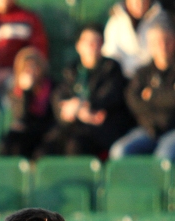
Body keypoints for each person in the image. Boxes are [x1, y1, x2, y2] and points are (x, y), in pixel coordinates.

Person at [36, 24, 133, 157]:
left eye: (96, 41)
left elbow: (110, 96)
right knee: (45, 150)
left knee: (76, 145)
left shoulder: (111, 68)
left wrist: (81, 105)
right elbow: (60, 98)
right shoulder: (71, 70)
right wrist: (77, 111)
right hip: (73, 126)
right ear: (78, 46)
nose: (92, 46)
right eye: (87, 41)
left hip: (102, 129)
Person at [110, 20, 175, 161]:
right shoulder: (142, 73)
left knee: (163, 157)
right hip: (148, 129)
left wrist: (151, 96)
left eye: (166, 41)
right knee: (119, 152)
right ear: (150, 45)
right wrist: (166, 96)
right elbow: (133, 101)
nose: (162, 46)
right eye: (156, 42)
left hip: (172, 131)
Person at [0, 47, 54, 159]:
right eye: (27, 68)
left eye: (35, 67)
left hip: (46, 131)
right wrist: (25, 92)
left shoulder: (52, 88)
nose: (31, 72)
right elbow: (20, 117)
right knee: (10, 142)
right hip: (27, 132)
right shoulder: (15, 91)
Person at [102, 0, 169, 78]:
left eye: (143, 1)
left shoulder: (161, 20)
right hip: (121, 78)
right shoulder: (116, 21)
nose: (140, 5)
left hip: (152, 76)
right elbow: (110, 52)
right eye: (136, 2)